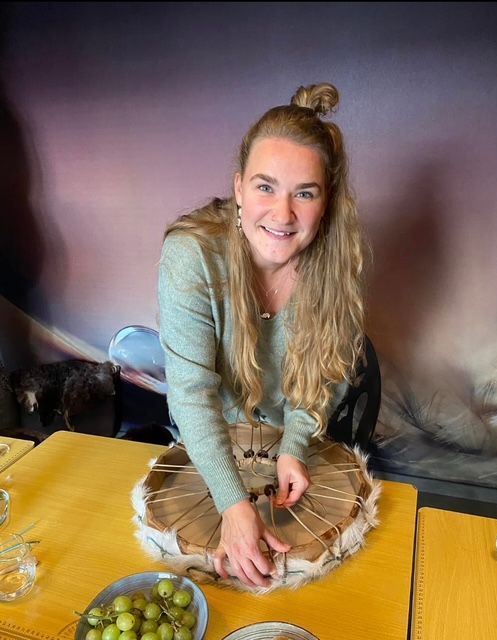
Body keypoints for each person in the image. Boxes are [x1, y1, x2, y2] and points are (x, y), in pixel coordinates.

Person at [158, 82, 365, 588]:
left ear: (326, 203)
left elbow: (325, 375)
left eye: (305, 193)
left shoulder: (335, 265)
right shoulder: (190, 256)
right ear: (238, 189)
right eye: (265, 187)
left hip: (297, 438)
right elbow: (191, 394)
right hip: (213, 443)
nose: (282, 214)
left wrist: (295, 445)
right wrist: (233, 504)